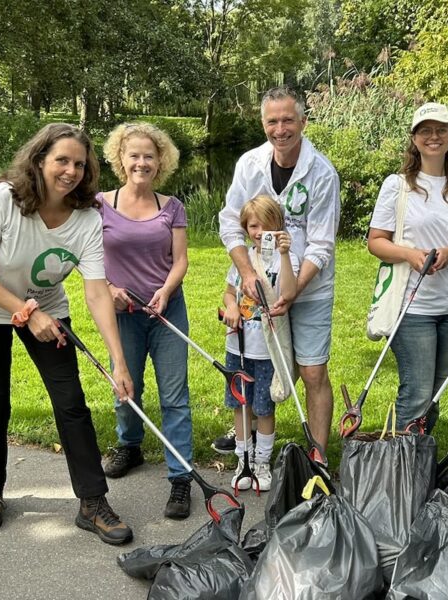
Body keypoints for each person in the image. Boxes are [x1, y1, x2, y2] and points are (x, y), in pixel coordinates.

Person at [0, 123, 136, 545]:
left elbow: (96, 292)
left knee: (71, 402)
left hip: (48, 310)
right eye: (62, 160)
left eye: (79, 164)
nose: (71, 171)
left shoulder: (88, 219)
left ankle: (92, 503)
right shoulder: (3, 200)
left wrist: (119, 362)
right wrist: (24, 311)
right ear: (39, 161)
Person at [216, 86, 340, 464]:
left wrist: (294, 290)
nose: (280, 129)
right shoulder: (249, 164)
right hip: (258, 288)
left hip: (310, 289)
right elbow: (230, 222)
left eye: (288, 120)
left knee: (312, 371)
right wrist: (245, 272)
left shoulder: (322, 172)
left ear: (303, 121)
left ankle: (317, 457)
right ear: (263, 123)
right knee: (255, 362)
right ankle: (248, 432)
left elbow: (321, 245)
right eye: (272, 121)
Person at [367, 102, 448, 433]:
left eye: (440, 130)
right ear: (414, 138)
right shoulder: (397, 185)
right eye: (425, 130)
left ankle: (419, 457)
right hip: (412, 308)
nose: (433, 136)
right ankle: (402, 461)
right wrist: (410, 255)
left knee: (433, 396)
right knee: (417, 393)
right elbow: (376, 241)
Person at [95, 122, 195, 520]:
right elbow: (87, 260)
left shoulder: (172, 207)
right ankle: (130, 445)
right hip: (124, 314)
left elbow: (181, 260)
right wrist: (108, 289)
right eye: (133, 155)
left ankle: (181, 476)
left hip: (167, 311)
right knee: (126, 387)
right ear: (120, 158)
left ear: (161, 161)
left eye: (149, 156)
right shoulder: (100, 205)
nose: (141, 162)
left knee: (175, 396)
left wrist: (166, 292)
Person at [221, 195, 299, 491]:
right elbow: (229, 293)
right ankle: (244, 461)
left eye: (267, 225)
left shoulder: (284, 260)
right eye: (253, 226)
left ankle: (262, 463)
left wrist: (285, 255)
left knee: (264, 408)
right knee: (240, 406)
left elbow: (289, 293)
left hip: (268, 350)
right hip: (239, 348)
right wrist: (231, 307)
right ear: (245, 228)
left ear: (278, 226)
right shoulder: (242, 261)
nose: (260, 231)